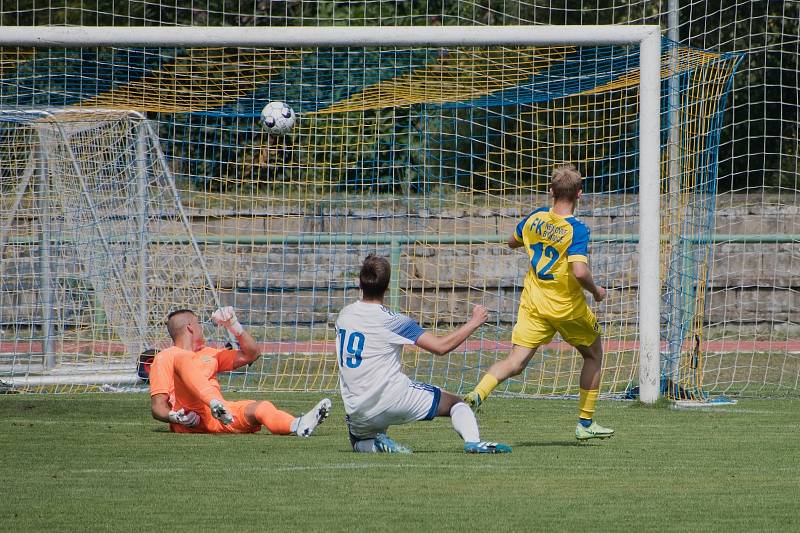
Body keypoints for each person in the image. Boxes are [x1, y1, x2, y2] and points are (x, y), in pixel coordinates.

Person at [463, 164, 614, 441]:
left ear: (550, 191)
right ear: (579, 194)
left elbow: (511, 242)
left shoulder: (535, 218)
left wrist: (537, 238)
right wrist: (597, 292)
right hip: (567, 308)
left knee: (515, 362)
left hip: (534, 304)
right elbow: (579, 271)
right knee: (593, 355)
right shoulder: (577, 230)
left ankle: (477, 393)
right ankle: (585, 422)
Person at [335, 254, 511, 454]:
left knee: (357, 441)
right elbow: (441, 347)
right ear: (387, 287)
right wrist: (475, 321)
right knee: (456, 403)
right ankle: (473, 441)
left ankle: (374, 445)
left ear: (360, 282)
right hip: (394, 398)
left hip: (357, 408)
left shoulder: (344, 316)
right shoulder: (395, 321)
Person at [150, 306, 331, 436]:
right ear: (190, 327)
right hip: (189, 419)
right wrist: (174, 417)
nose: (202, 328)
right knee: (182, 358)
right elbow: (158, 407)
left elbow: (252, 354)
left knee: (262, 407)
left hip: (220, 417)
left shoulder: (209, 354)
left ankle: (297, 425)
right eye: (199, 324)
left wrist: (233, 325)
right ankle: (214, 402)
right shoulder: (166, 356)